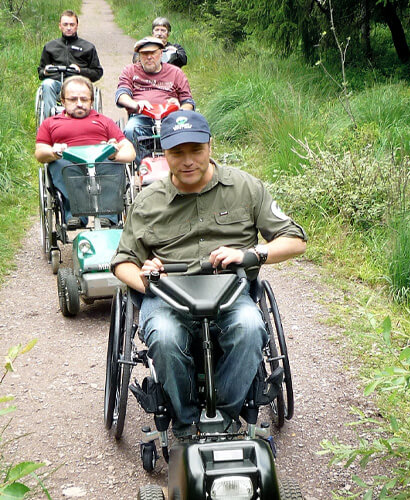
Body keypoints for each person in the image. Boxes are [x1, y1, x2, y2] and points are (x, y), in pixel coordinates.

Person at [111, 111, 307, 437]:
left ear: (210, 146)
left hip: (229, 293)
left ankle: (226, 415)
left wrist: (251, 253)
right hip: (169, 294)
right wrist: (147, 278)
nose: (188, 161)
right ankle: (186, 419)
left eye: (196, 150)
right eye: (177, 152)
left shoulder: (245, 187)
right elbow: (122, 262)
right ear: (164, 152)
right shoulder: (148, 202)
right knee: (164, 335)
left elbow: (295, 241)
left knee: (249, 327)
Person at [36, 76, 136, 228]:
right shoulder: (50, 123)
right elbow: (40, 152)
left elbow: (129, 151)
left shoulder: (104, 121)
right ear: (63, 101)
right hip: (68, 160)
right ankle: (74, 216)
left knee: (115, 164)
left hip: (101, 160)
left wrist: (114, 154)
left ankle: (107, 215)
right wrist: (53, 152)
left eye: (84, 99)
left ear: (91, 101)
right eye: (73, 99)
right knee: (59, 165)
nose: (79, 104)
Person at [115, 37, 195, 166]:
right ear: (139, 55)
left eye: (153, 53)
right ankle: (144, 167)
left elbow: (188, 102)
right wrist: (135, 104)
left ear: (161, 53)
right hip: (141, 116)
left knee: (189, 130)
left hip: (171, 116)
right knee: (130, 130)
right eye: (145, 54)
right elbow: (121, 95)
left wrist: (179, 108)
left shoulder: (176, 73)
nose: (149, 57)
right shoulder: (130, 70)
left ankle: (179, 165)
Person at [37, 10, 104, 116]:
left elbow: (97, 72)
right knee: (46, 84)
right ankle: (50, 121)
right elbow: (40, 72)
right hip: (57, 84)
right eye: (65, 24)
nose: (68, 28)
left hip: (80, 84)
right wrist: (45, 71)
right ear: (60, 26)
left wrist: (80, 71)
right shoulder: (50, 47)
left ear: (77, 26)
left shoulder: (88, 47)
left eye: (72, 24)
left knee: (81, 87)